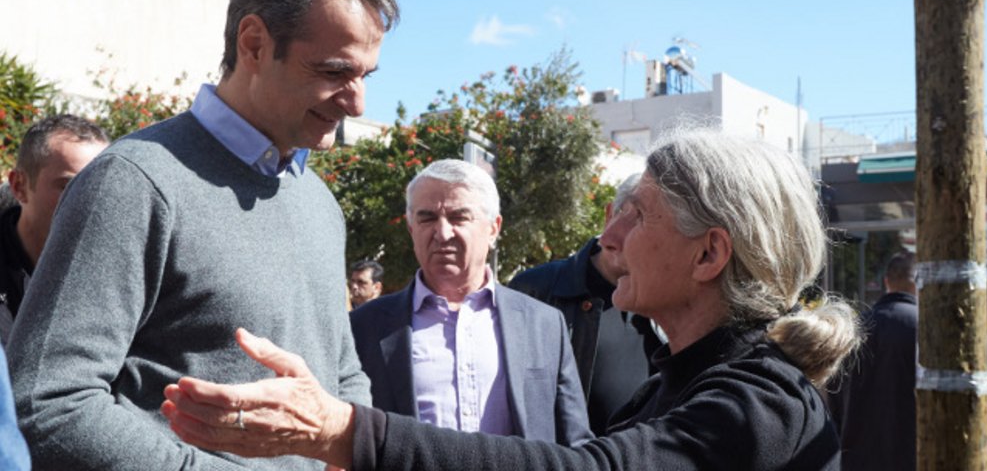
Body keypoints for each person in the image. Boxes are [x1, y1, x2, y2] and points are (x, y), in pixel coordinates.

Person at [161, 132, 861, 470]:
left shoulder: (760, 403)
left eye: (638, 215)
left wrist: (346, 431)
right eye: (426, 217)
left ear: (709, 254)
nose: (609, 235)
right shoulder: (675, 384)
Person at [8, 0, 398, 469]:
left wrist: (349, 451)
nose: (357, 103)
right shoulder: (132, 182)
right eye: (334, 71)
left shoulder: (320, 203)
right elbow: (47, 402)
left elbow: (341, 372)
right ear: (254, 44)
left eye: (365, 76)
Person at [348, 159, 591, 444]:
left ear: (493, 228)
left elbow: (575, 442)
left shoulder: (543, 324)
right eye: (427, 218)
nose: (442, 233)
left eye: (458, 217)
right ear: (411, 229)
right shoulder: (365, 327)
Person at [508, 173, 665, 435]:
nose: (626, 236)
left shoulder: (668, 299)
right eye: (626, 215)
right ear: (609, 215)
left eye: (643, 222)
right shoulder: (534, 290)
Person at [1, 115, 109, 345]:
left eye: (101, 187)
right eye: (69, 186)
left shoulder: (118, 269)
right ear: (19, 186)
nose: (91, 201)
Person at [829, 252, 918, 471]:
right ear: (918, 284)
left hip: (856, 458)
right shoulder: (923, 326)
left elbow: (834, 398)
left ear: (886, 282)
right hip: (910, 456)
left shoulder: (854, 328)